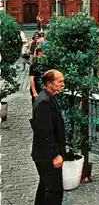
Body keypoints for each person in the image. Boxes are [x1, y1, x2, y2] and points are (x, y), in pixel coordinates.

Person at [31, 69, 65, 205]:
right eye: (60, 81)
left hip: (44, 154)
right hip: (47, 156)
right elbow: (44, 132)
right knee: (54, 191)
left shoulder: (47, 97)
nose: (63, 84)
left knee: (46, 187)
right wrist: (55, 155)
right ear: (49, 83)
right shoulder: (44, 101)